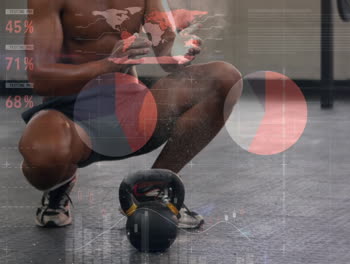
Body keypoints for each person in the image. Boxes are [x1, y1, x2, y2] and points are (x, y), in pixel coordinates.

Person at [18, 0, 242, 228]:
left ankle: (152, 188)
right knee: (43, 154)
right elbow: (40, 78)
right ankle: (60, 184)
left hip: (129, 109)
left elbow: (167, 52)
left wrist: (181, 51)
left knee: (223, 78)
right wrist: (107, 66)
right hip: (68, 115)